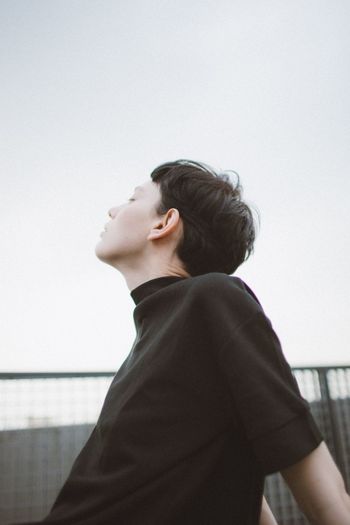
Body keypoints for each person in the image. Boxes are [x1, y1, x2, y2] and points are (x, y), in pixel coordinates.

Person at [14, 159, 350, 524]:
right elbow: (231, 482)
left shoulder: (215, 297)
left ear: (164, 222)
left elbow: (325, 494)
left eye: (132, 199)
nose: (113, 210)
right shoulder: (151, 337)